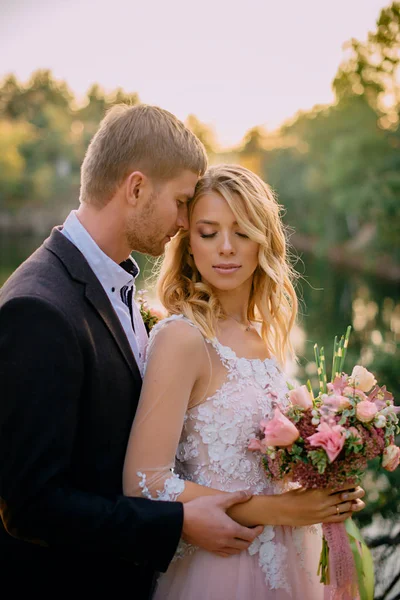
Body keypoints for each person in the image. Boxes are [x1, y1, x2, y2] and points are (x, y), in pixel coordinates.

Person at [0, 106, 265, 597]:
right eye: (183, 202)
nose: (186, 223)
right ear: (137, 188)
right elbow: (30, 506)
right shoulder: (39, 308)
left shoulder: (116, 285)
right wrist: (175, 522)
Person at [122, 164, 366, 599]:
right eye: (209, 232)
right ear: (189, 244)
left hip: (287, 561)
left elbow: (264, 463)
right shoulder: (182, 338)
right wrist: (277, 510)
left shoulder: (262, 336)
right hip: (219, 567)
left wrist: (324, 487)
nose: (226, 249)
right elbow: (146, 481)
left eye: (242, 231)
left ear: (263, 242)